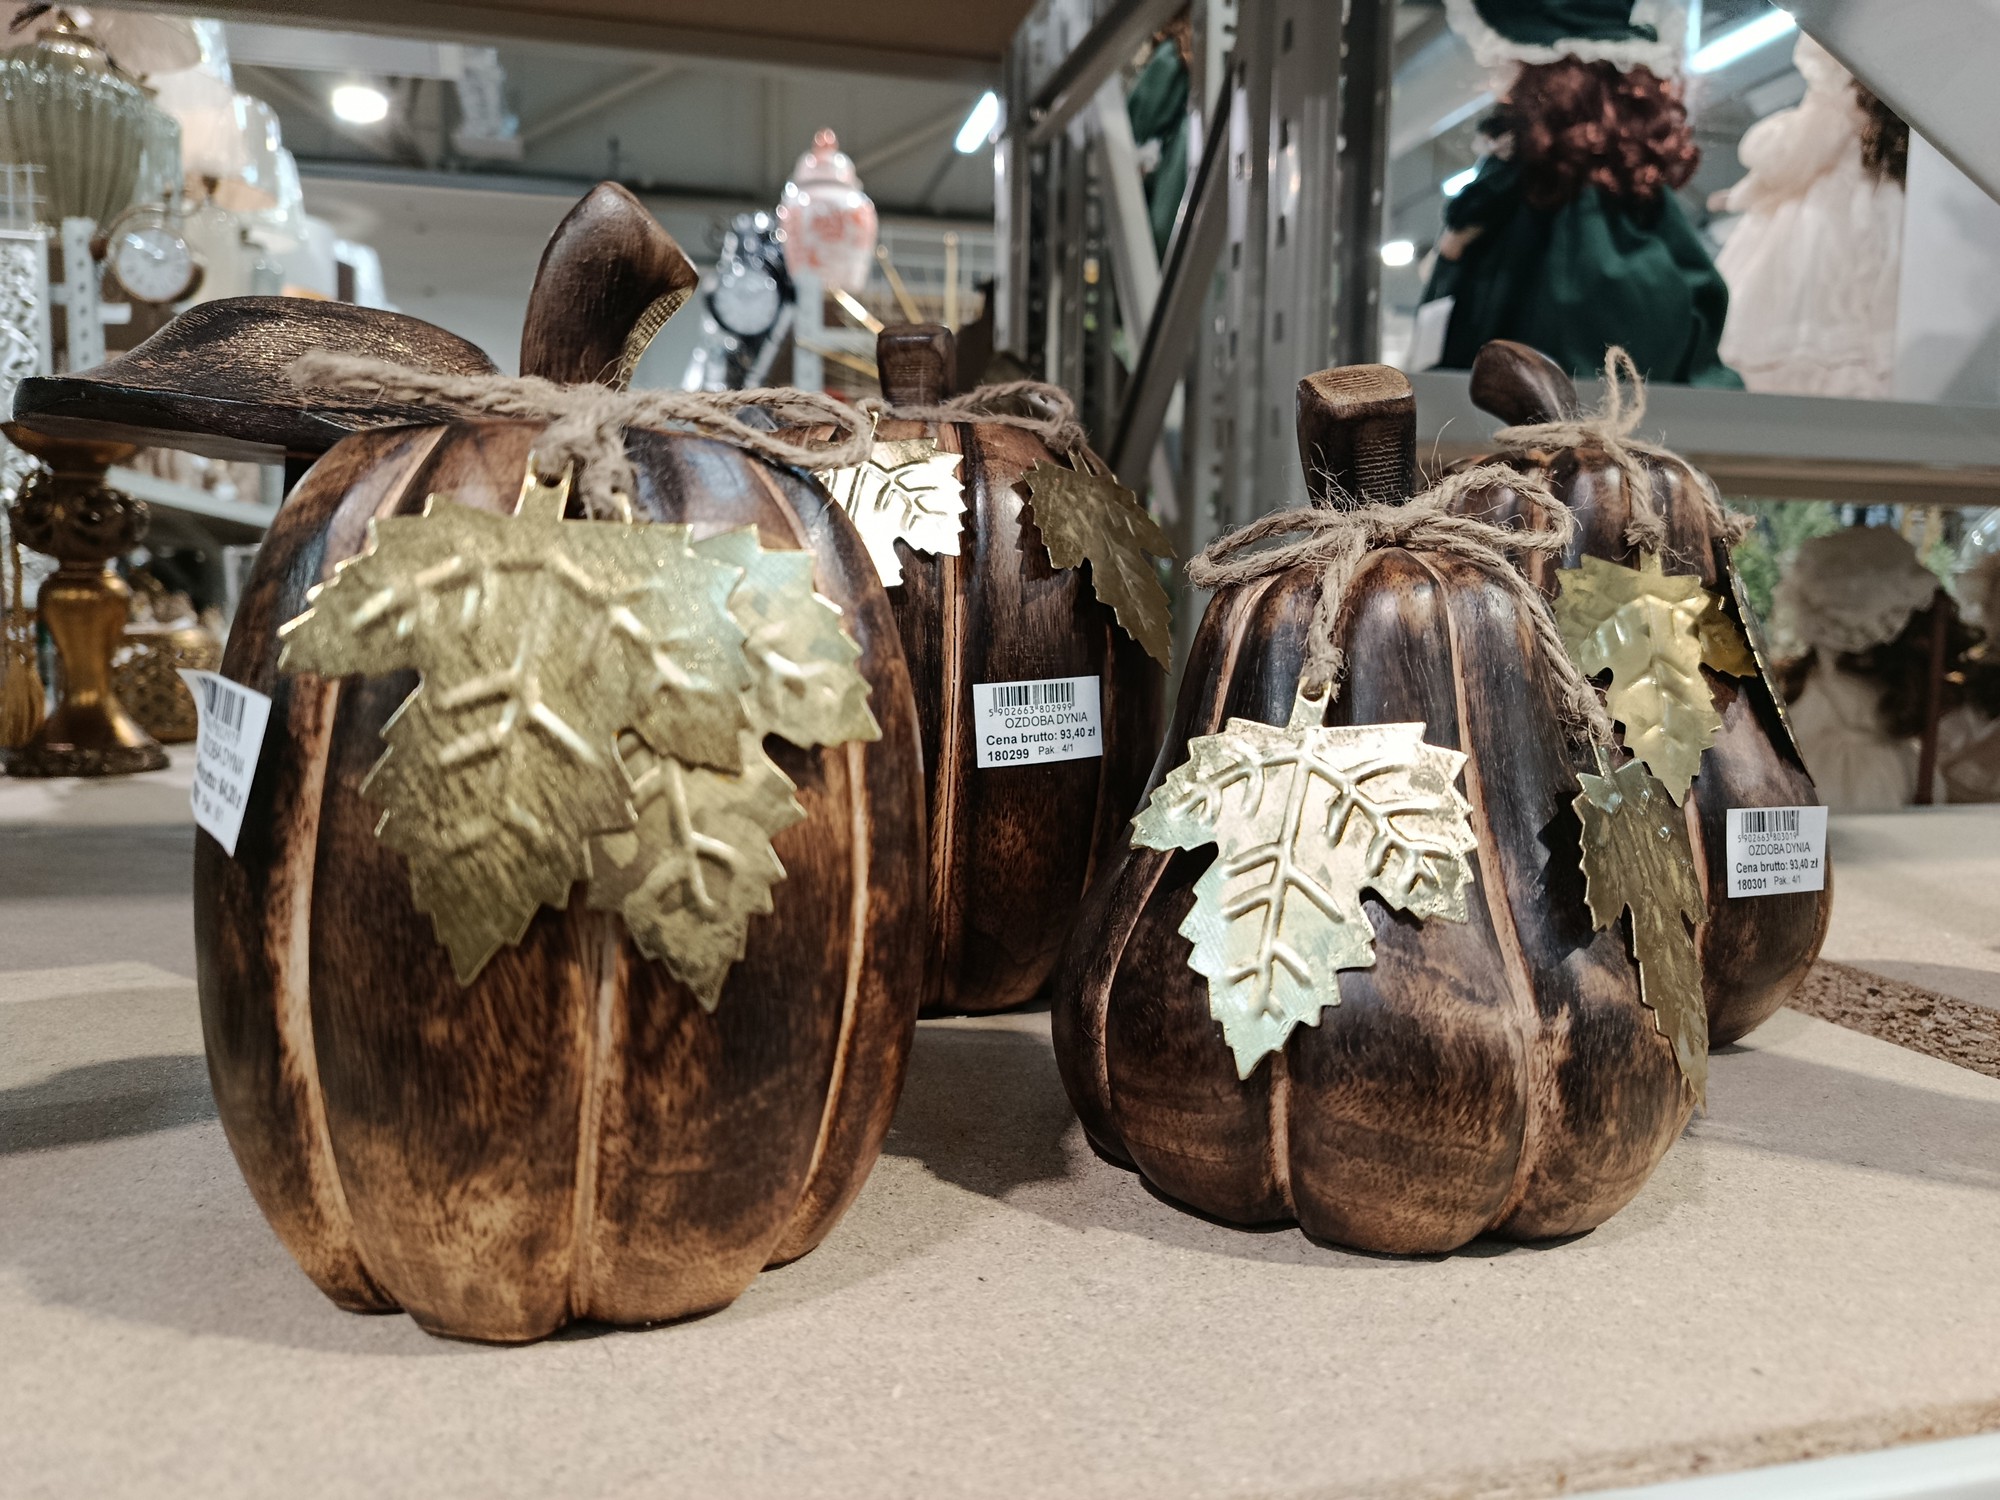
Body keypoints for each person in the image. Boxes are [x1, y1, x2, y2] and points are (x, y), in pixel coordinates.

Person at [1423, 0, 1740, 386]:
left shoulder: (1528, 193)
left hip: (1531, 408)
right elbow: (1697, 306)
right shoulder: (1631, 198)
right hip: (1638, 409)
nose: (1501, 83)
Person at [1712, 35, 1908, 397]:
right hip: (1889, 210)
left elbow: (1796, 154)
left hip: (1827, 215)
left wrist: (1745, 190)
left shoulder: (1839, 95)